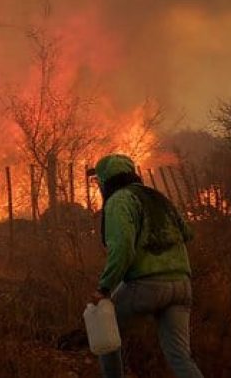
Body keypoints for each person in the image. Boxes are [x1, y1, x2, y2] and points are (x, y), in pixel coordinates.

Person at [87, 154, 205, 378]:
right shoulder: (158, 197)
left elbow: (122, 248)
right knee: (180, 356)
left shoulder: (119, 201)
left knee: (105, 331)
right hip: (181, 286)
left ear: (105, 180)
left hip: (146, 285)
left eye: (99, 181)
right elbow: (187, 233)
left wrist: (104, 288)